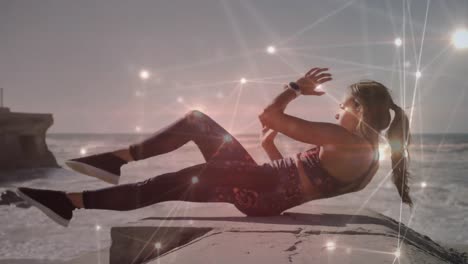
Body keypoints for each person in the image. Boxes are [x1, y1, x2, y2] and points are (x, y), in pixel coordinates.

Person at [16, 67, 413, 227]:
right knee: (169, 180)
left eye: (344, 104)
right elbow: (307, 183)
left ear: (359, 109)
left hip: (255, 186)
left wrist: (294, 89)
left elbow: (270, 114)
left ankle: (111, 164)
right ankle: (75, 198)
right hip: (261, 191)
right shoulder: (372, 155)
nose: (339, 109)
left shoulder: (344, 137)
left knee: (195, 124)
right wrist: (271, 149)